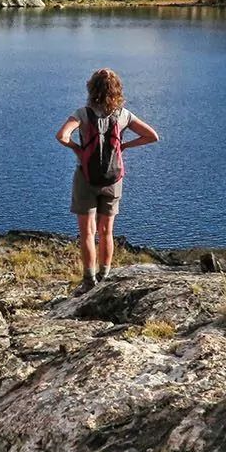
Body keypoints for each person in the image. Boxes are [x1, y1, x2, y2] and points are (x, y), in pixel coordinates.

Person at [55, 69, 159, 294]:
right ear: (117, 90)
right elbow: (152, 136)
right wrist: (124, 146)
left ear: (91, 88)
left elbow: (62, 136)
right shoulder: (123, 115)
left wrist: (78, 150)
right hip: (113, 179)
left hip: (86, 178)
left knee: (87, 233)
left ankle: (89, 280)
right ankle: (105, 275)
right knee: (106, 232)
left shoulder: (82, 114)